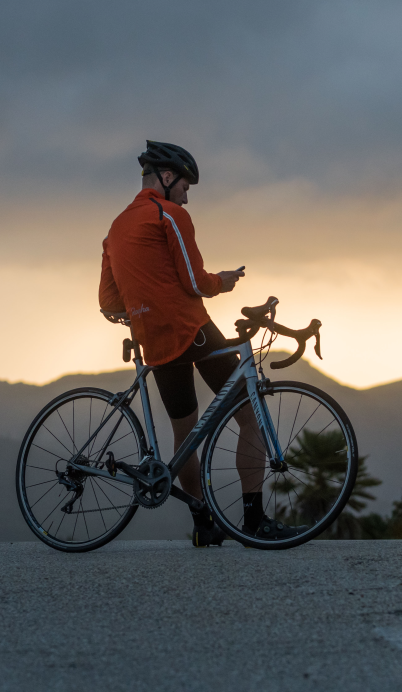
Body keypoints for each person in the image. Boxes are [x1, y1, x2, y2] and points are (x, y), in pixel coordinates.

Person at [98, 140, 287, 546]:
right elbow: (192, 279)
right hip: (190, 329)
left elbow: (109, 302)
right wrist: (223, 281)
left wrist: (142, 306)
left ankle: (203, 524)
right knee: (249, 417)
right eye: (185, 186)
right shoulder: (170, 214)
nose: (187, 195)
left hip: (154, 341)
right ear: (166, 178)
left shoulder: (115, 228)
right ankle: (254, 521)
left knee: (186, 433)